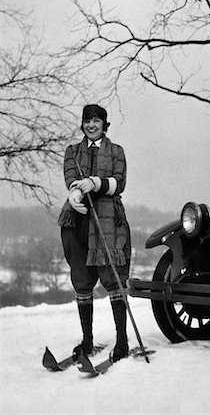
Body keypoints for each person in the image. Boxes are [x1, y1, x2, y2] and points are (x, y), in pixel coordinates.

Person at [58, 104, 131, 361]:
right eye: (87, 121)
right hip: (78, 222)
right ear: (82, 124)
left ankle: (122, 341)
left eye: (96, 121)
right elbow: (69, 175)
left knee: (113, 278)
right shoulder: (73, 152)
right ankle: (87, 341)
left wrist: (97, 183)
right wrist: (75, 191)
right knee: (82, 278)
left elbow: (119, 181)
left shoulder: (116, 151)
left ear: (104, 124)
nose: (91, 125)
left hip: (108, 220)